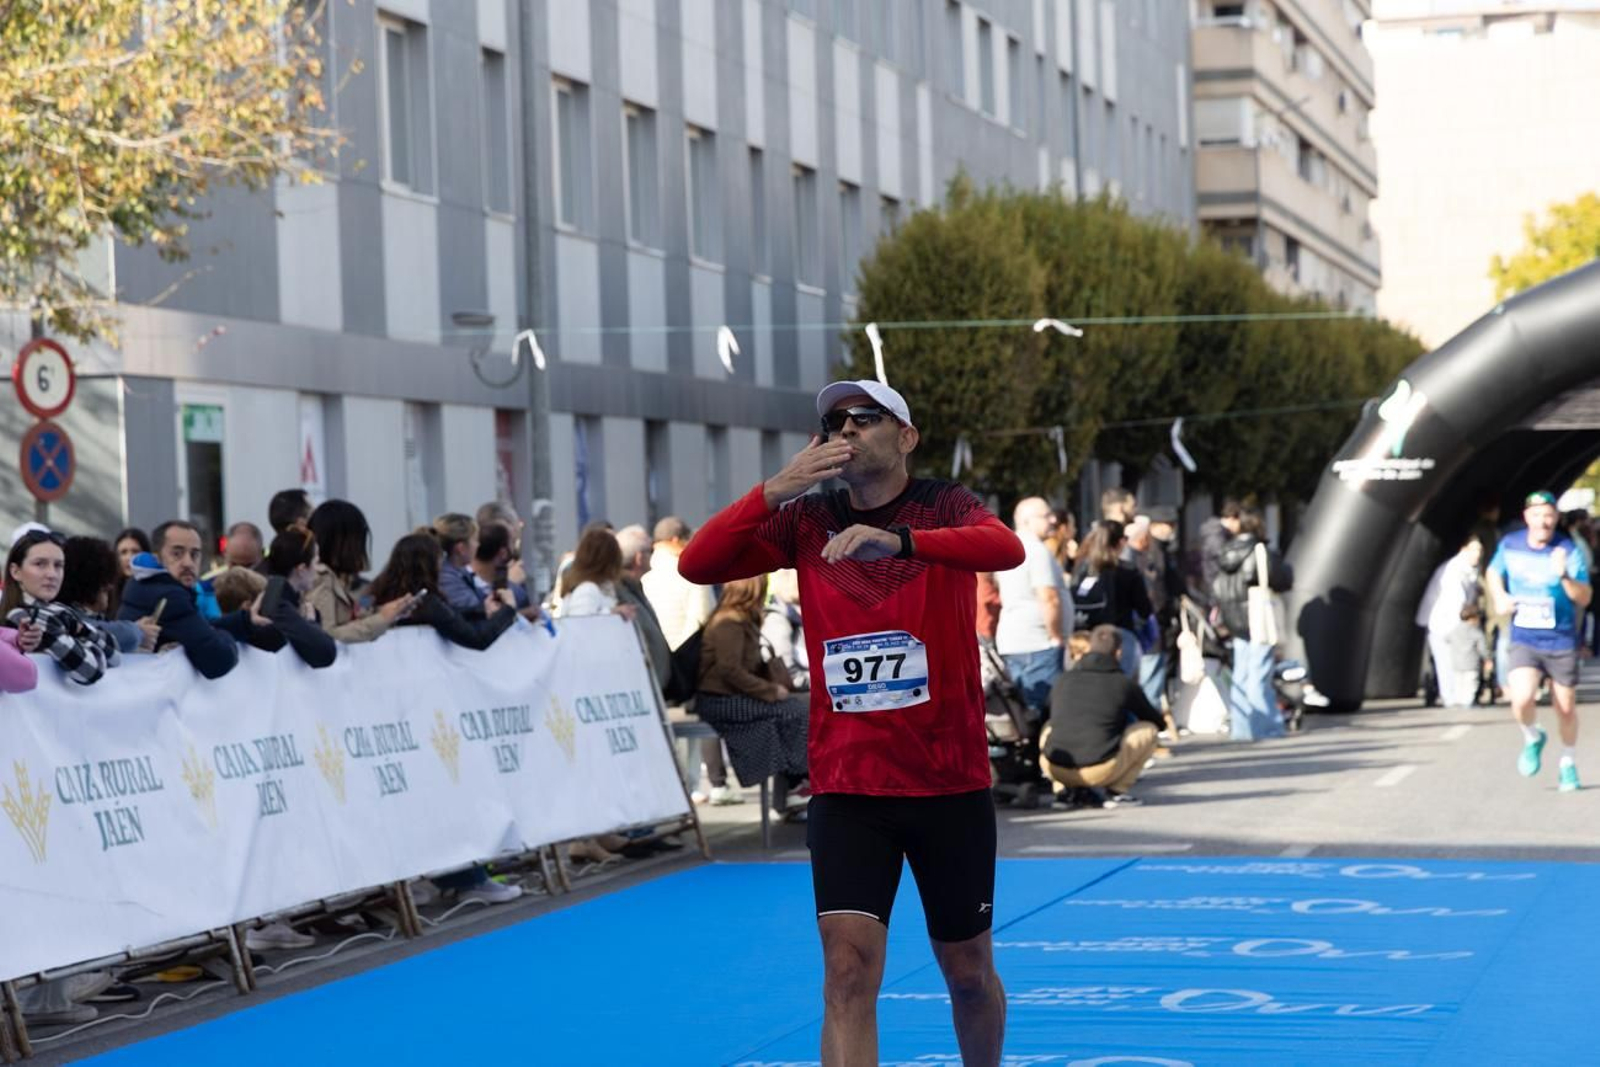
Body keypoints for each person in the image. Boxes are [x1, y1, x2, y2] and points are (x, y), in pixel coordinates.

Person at [678, 378, 1023, 1066]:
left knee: (968, 970)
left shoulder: (941, 505)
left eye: (866, 418)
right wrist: (774, 489)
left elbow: (1003, 548)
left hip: (946, 782)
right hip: (849, 785)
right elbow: (698, 563)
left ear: (907, 436)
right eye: (836, 421)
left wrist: (899, 542)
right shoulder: (809, 519)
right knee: (846, 972)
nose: (848, 429)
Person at [1487, 490, 1593, 791]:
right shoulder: (1511, 545)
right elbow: (1494, 573)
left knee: (1565, 707)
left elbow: (1585, 597)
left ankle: (1568, 763)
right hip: (1525, 637)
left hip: (1560, 640)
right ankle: (1533, 735)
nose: (1543, 522)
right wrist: (1499, 597)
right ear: (1527, 518)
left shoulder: (1567, 549)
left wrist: (1564, 576)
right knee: (1520, 699)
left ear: (1556, 518)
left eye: (1548, 516)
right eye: (1537, 516)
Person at [695, 574, 810, 815]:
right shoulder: (729, 623)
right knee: (797, 710)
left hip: (731, 694)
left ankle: (796, 780)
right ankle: (797, 780)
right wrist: (769, 690)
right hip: (721, 699)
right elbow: (730, 670)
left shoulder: (740, 619)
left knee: (798, 707)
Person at [116, 520, 261, 679]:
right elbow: (219, 661)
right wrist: (224, 636)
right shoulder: (170, 596)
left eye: (194, 554)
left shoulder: (148, 585)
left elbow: (199, 628)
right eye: (177, 553)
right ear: (157, 558)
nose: (188, 563)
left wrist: (245, 621)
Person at [1040, 626, 1165, 807]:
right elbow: (1157, 723)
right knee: (1148, 731)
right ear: (1119, 652)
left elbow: (1044, 718)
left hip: (1056, 768)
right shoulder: (1122, 683)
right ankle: (1116, 792)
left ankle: (1064, 792)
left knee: (1049, 729)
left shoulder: (1063, 680)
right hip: (1100, 769)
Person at [1213, 509, 1293, 742]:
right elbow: (1282, 579)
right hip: (1259, 617)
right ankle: (1266, 727)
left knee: (1241, 675)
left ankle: (1241, 729)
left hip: (1235, 619)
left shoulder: (1225, 552)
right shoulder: (1260, 551)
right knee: (1259, 675)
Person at [1, 530, 121, 685]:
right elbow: (90, 670)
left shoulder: (59, 610)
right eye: (40, 564)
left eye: (58, 565)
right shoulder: (22, 617)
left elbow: (115, 655)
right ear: (15, 571)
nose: (51, 574)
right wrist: (80, 632)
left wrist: (79, 628)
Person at [367, 532, 519, 651]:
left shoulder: (378, 593)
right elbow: (477, 639)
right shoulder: (425, 602)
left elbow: (450, 616)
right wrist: (508, 610)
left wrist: (481, 611)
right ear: (430, 565)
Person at [994, 496, 1072, 715]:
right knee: (1042, 711)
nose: (1053, 520)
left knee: (1025, 711)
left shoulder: (1011, 546)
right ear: (1028, 521)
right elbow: (1048, 597)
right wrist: (1055, 637)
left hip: (1015, 641)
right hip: (1038, 643)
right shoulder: (1036, 550)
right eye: (1046, 515)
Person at [306, 499, 416, 643]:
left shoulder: (345, 580)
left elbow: (355, 617)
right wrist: (382, 619)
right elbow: (327, 636)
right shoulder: (321, 579)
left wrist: (391, 613)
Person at [1071, 521, 1152, 679]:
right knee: (1121, 687)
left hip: (1084, 637)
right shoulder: (1127, 570)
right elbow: (1145, 608)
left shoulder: (1081, 568)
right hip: (1118, 636)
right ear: (1121, 542)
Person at [1415, 536, 1485, 709]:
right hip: (1445, 623)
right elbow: (1454, 600)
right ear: (1464, 549)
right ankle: (1451, 697)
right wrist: (1462, 624)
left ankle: (1457, 697)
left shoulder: (1470, 570)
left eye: (1479, 550)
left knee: (1454, 661)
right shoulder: (1453, 569)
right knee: (1445, 662)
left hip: (1455, 623)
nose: (1477, 554)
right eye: (1473, 549)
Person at [256, 526, 338, 668]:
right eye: (316, 562)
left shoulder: (278, 595)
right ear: (301, 569)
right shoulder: (275, 601)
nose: (318, 570)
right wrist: (311, 622)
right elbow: (325, 653)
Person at [59, 536, 157, 654]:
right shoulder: (65, 617)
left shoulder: (92, 615)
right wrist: (139, 632)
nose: (110, 587)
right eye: (104, 582)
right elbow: (98, 632)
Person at [641, 516, 714, 651]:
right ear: (675, 541)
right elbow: (702, 618)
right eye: (688, 540)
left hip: (655, 655)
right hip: (686, 658)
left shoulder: (642, 574)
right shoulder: (693, 572)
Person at [762, 568, 809, 691]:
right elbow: (789, 673)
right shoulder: (777, 620)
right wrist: (818, 682)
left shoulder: (799, 614)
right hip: (794, 691)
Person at [433, 513, 486, 615]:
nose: (478, 545)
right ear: (461, 548)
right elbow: (477, 610)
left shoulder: (461, 571)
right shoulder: (447, 578)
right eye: (475, 540)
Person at [1443, 603, 1490, 709]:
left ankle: (1458, 700)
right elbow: (1482, 648)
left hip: (1456, 662)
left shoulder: (1455, 630)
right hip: (1471, 662)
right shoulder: (1475, 632)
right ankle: (1468, 701)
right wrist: (1487, 658)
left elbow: (1446, 638)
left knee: (1458, 682)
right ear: (1474, 618)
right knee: (1470, 683)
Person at [111, 527, 152, 615]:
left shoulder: (156, 588)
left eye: (135, 551)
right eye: (123, 552)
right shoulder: (108, 592)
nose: (129, 558)